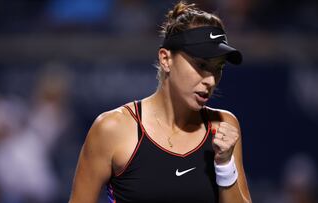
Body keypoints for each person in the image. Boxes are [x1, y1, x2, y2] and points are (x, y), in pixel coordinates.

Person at [69, 1, 252, 202]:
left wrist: (225, 165)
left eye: (218, 68)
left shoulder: (224, 126)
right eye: (201, 65)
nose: (210, 80)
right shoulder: (112, 129)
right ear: (166, 59)